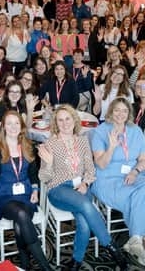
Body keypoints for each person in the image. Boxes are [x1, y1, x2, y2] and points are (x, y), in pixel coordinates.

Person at [38, 105, 127, 270]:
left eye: (68, 119)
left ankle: (76, 261)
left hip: (81, 186)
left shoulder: (83, 140)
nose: (65, 123)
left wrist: (86, 183)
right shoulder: (49, 144)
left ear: (74, 120)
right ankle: (111, 246)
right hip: (59, 189)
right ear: (56, 123)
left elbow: (91, 168)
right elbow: (44, 177)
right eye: (60, 120)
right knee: (87, 205)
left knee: (84, 223)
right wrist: (49, 164)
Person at [89, 97, 145, 270]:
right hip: (107, 179)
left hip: (133, 173)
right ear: (111, 111)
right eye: (117, 110)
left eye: (124, 110)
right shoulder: (100, 131)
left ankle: (137, 238)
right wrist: (112, 147)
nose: (120, 114)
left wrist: (135, 171)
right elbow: (100, 164)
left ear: (129, 113)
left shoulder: (135, 130)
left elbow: (144, 160)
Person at [0, 111, 52, 271]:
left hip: (26, 194)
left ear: (21, 126)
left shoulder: (28, 146)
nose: (13, 127)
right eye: (9, 123)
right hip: (2, 195)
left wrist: (35, 191)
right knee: (21, 215)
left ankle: (24, 261)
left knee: (20, 224)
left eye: (16, 123)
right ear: (3, 127)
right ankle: (46, 267)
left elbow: (33, 174)